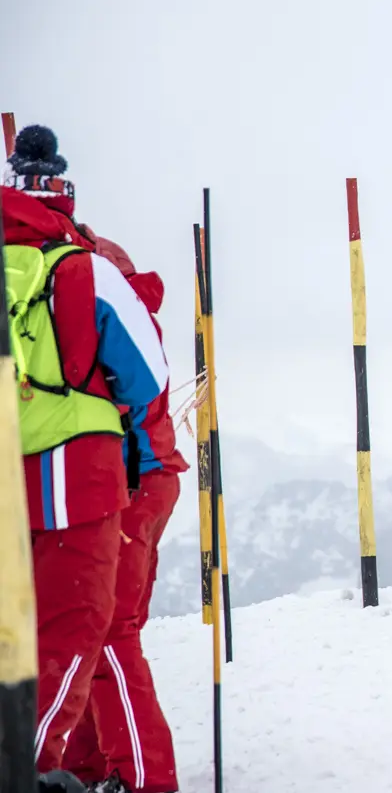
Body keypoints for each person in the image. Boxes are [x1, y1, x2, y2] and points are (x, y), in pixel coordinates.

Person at [2, 126, 169, 778]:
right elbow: (146, 377)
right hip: (80, 479)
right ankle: (44, 765)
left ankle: (75, 761)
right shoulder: (83, 269)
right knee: (85, 629)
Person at [58, 232, 186, 793]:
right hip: (145, 482)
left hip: (130, 485)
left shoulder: (98, 320)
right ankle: (93, 766)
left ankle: (141, 777)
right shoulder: (125, 316)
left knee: (108, 628)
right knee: (92, 629)